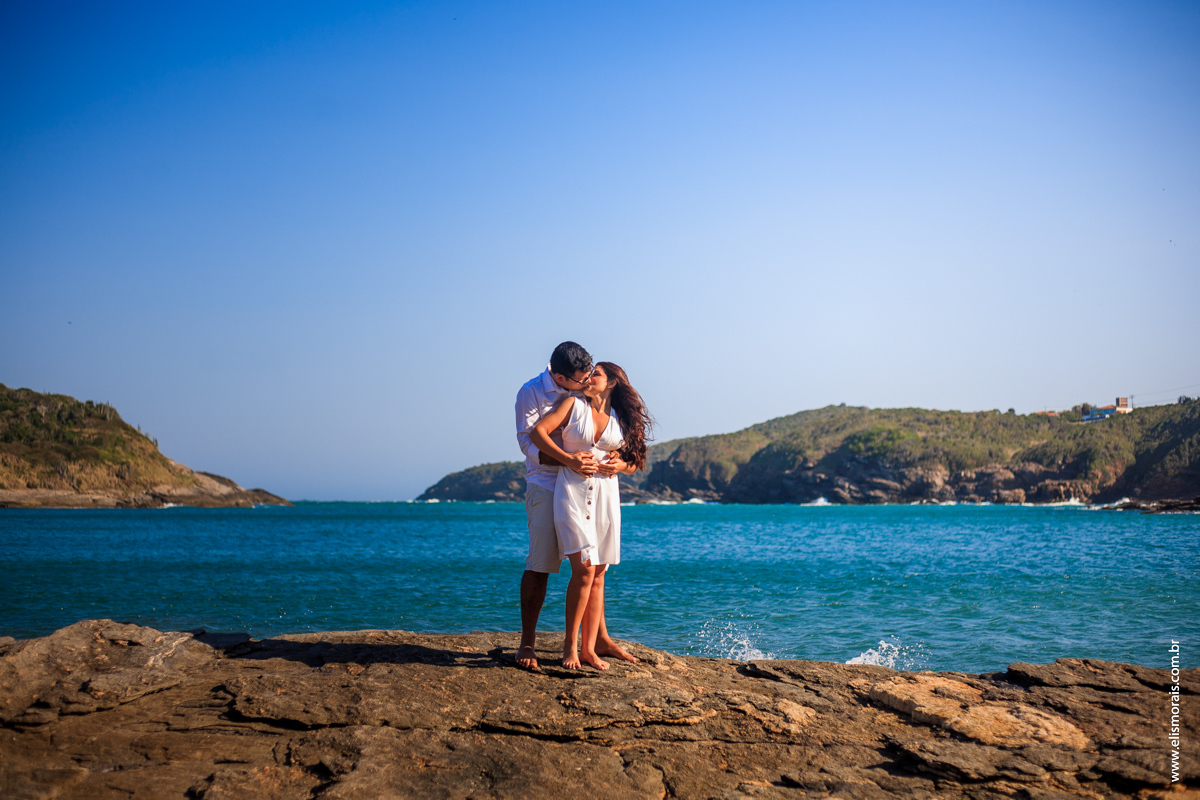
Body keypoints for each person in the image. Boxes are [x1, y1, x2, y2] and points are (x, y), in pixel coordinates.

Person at [529, 361, 652, 670]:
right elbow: (538, 433)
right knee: (584, 570)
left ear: (611, 382)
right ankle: (570, 646)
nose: (588, 378)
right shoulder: (573, 404)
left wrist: (621, 466)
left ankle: (590, 647)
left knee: (598, 574)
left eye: (595, 374)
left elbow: (636, 461)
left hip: (605, 497)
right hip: (572, 493)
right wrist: (568, 459)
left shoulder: (620, 417)